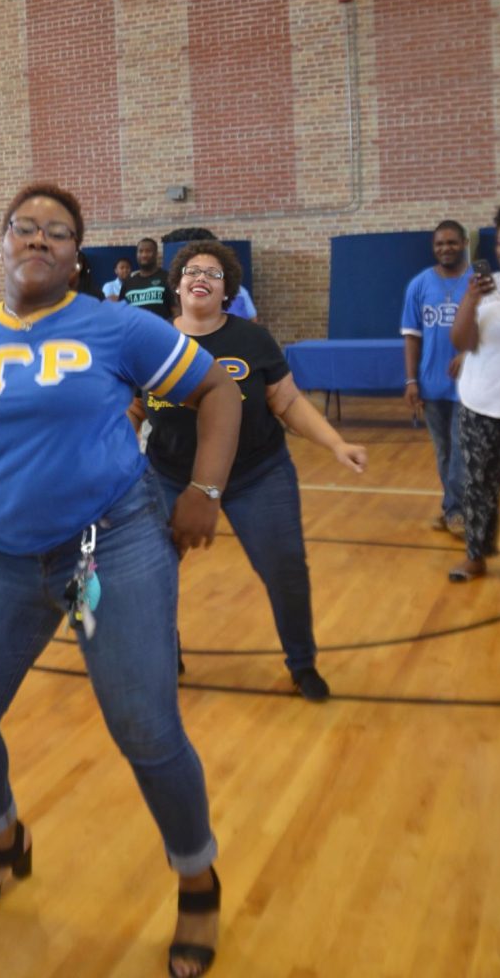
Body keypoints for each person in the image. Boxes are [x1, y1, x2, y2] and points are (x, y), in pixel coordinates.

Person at [0, 183, 241, 978]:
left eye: (57, 233)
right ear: (0, 244)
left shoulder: (116, 325)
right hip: (0, 551)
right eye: (24, 228)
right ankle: (4, 839)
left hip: (113, 541)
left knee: (144, 727)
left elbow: (218, 389)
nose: (39, 240)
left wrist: (202, 492)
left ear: (75, 255)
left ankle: (195, 878)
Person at [131, 241, 367, 701]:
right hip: (169, 474)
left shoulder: (252, 340)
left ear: (227, 292)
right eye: (192, 270)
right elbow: (132, 408)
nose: (201, 277)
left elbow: (287, 402)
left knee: (286, 570)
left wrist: (336, 443)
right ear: (177, 286)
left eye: (213, 274)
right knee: (149, 573)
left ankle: (302, 664)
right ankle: (164, 654)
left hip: (256, 474)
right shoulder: (151, 341)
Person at [448, 206, 500, 583]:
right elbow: (461, 341)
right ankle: (476, 556)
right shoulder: (486, 290)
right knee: (479, 487)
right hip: (482, 407)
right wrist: (471, 299)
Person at [401, 220, 471, 537]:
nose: (446, 248)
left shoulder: (479, 283)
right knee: (443, 453)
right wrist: (411, 381)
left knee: (459, 451)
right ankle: (451, 507)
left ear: (465, 243)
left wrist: (470, 353)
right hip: (431, 385)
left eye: (452, 242)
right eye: (440, 243)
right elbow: (412, 337)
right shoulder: (419, 285)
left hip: (469, 387)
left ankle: (458, 512)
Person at [120, 237, 175, 319]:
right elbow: (121, 312)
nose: (144, 255)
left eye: (148, 251)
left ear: (156, 254)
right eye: (140, 251)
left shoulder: (168, 278)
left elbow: (176, 311)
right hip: (134, 331)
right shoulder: (128, 283)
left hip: (160, 330)